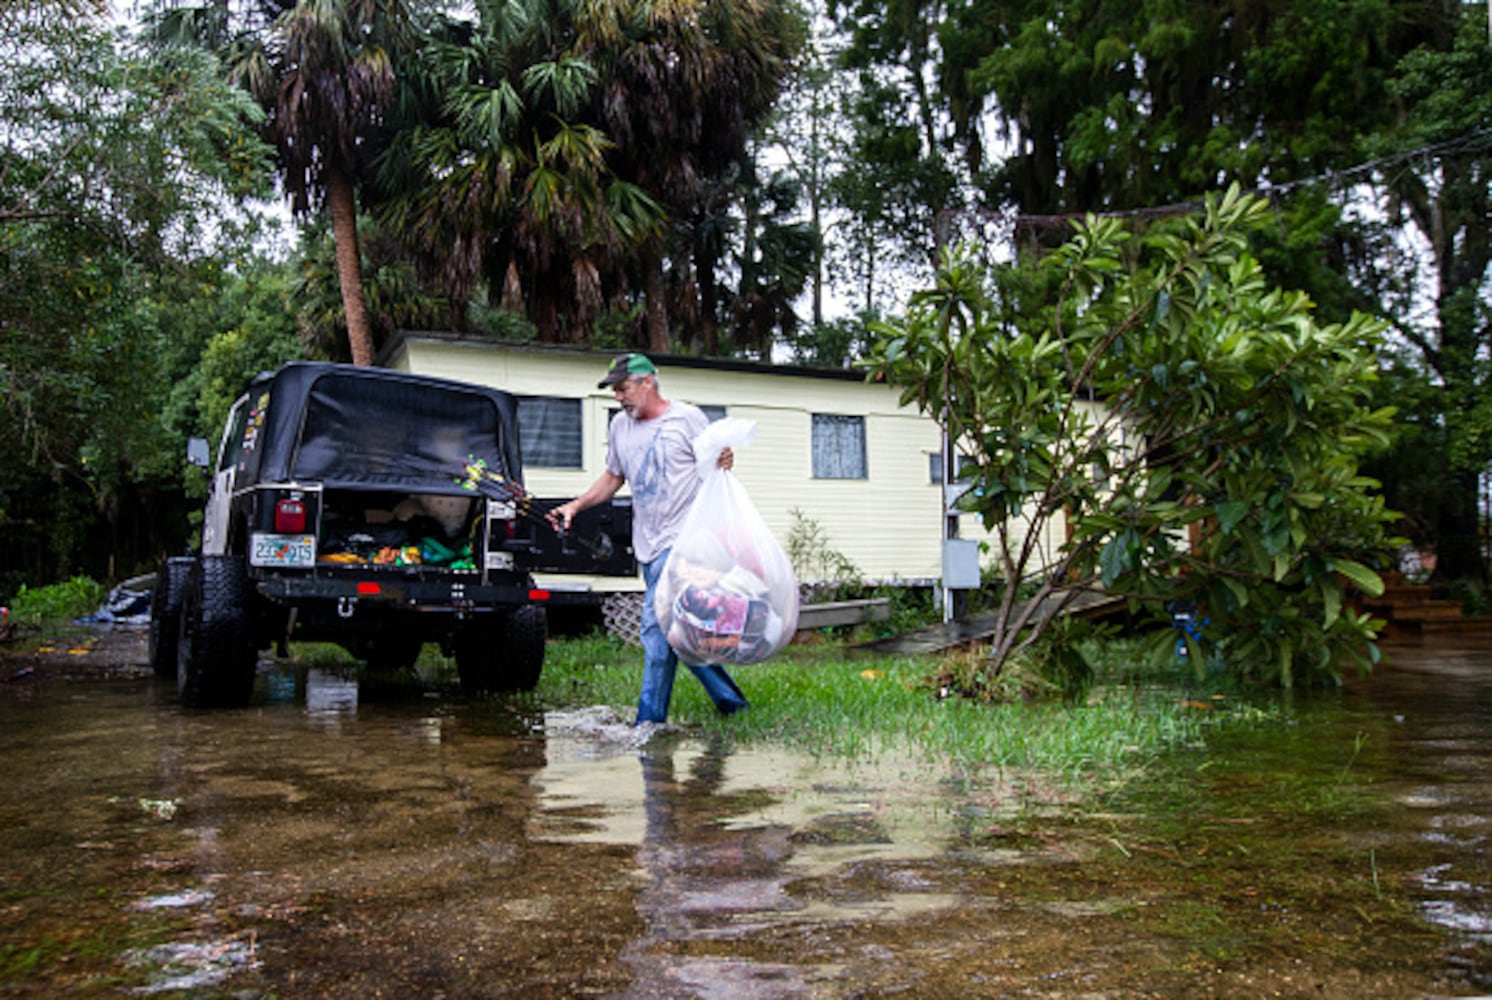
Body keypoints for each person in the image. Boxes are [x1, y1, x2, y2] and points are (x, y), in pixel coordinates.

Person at [547, 353, 749, 725]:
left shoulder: (686, 418)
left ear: (647, 383)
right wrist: (575, 506)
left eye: (623, 389)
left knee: (655, 631)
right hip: (648, 544)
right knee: (680, 633)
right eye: (614, 391)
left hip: (685, 541)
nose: (618, 397)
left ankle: (647, 723)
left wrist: (724, 459)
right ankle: (732, 703)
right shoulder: (620, 428)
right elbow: (612, 478)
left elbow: (714, 468)